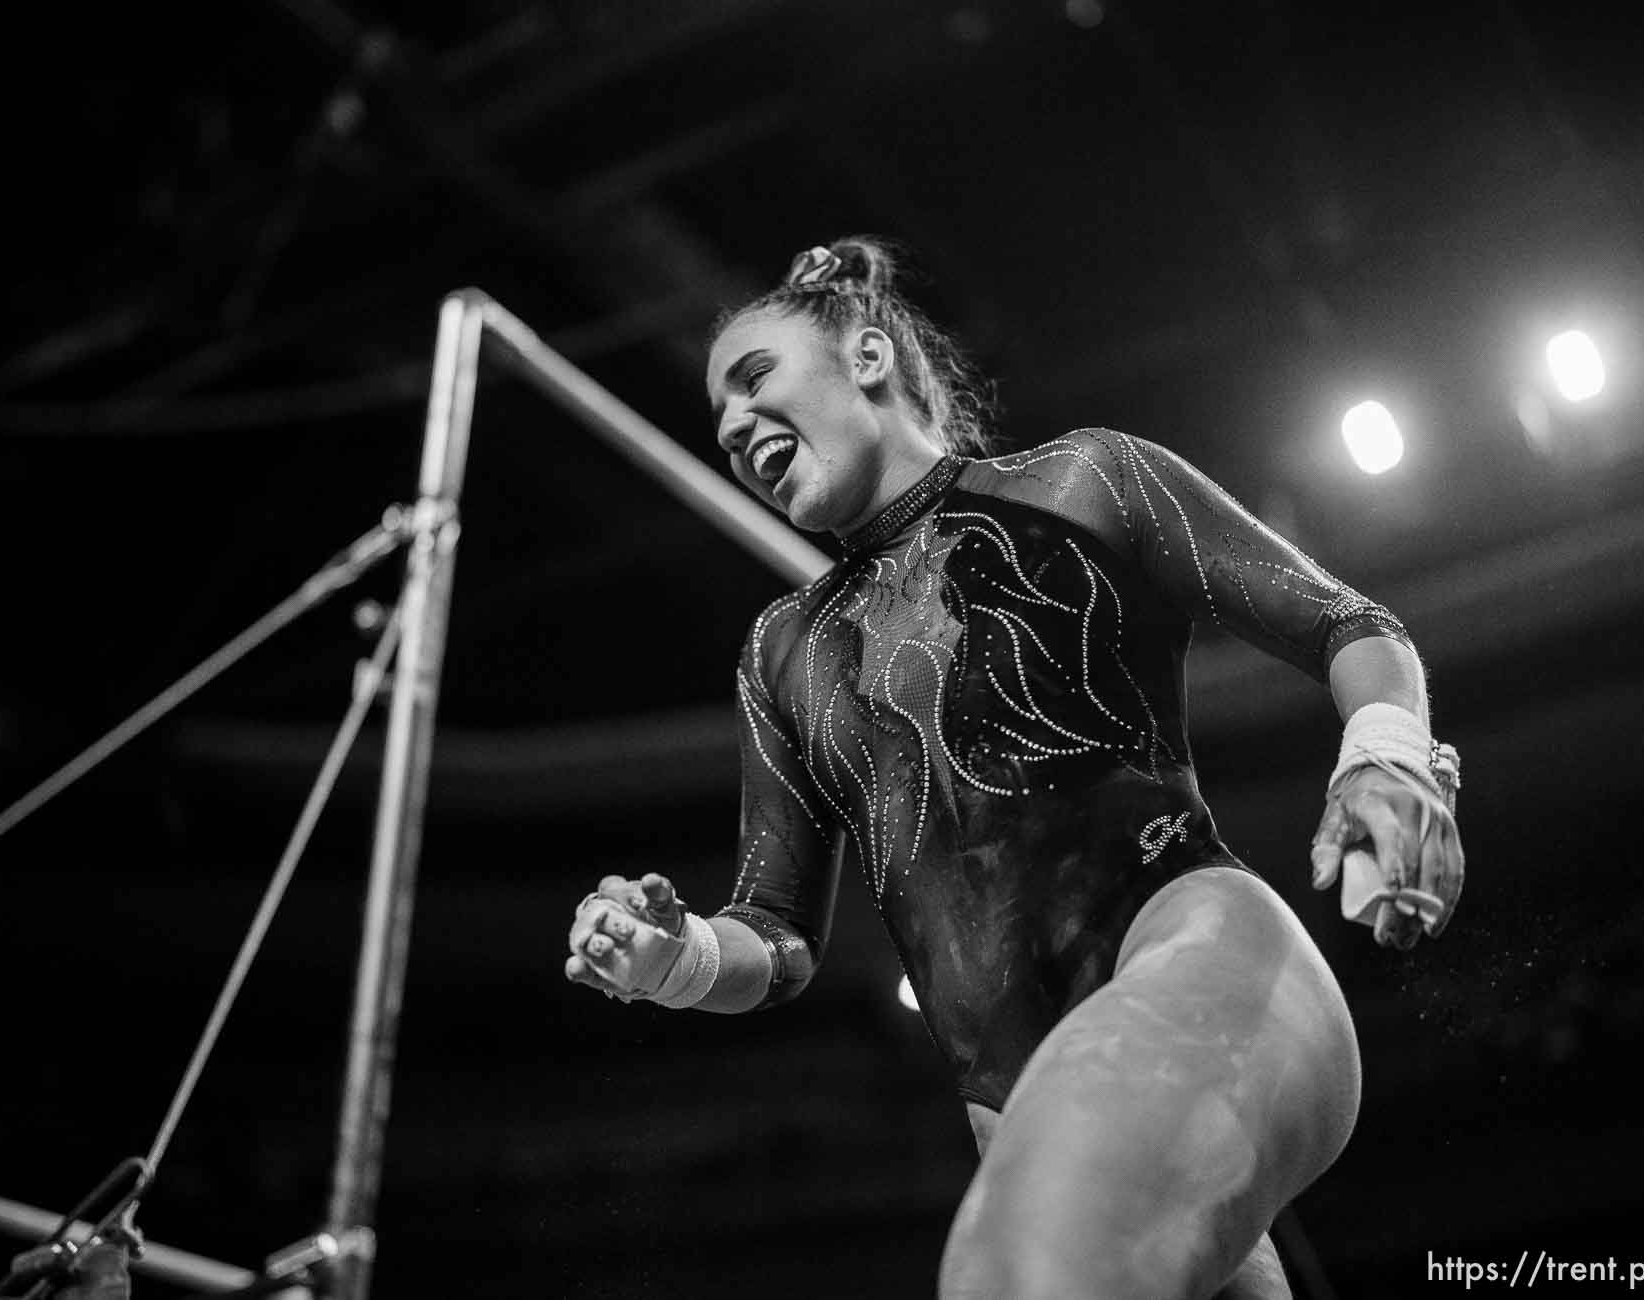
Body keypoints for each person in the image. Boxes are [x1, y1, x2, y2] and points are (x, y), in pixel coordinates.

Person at [563, 237, 1463, 1299]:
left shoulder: (1084, 480)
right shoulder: (781, 652)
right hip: (1014, 1105)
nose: (734, 428)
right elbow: (780, 935)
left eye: (754, 378)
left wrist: (1388, 756)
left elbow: (1347, 623)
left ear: (866, 353)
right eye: (719, 425)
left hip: (1190, 954)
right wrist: (673, 959)